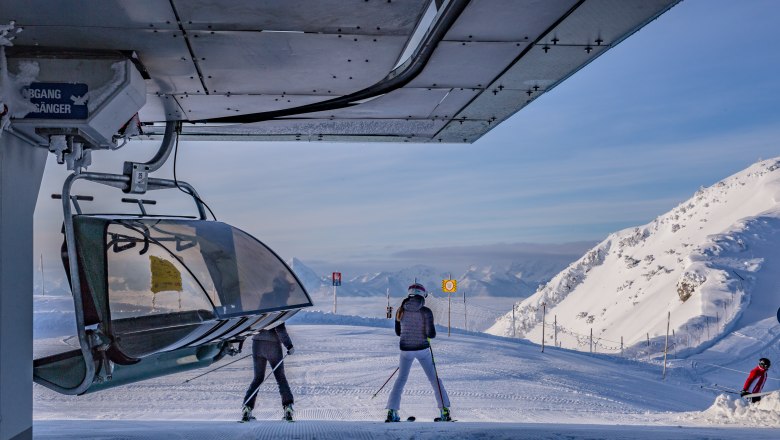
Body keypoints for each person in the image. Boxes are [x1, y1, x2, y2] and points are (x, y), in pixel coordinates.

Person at [385, 282, 452, 422]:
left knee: (401, 380)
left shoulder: (400, 310)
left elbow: (398, 332)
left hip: (405, 350)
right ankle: (444, 411)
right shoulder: (426, 311)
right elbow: (431, 334)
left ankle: (392, 411)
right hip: (422, 349)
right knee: (434, 379)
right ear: (422, 296)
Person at [241, 322, 296, 422]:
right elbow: (280, 329)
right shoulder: (276, 308)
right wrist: (289, 345)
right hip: (273, 345)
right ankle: (288, 407)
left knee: (257, 378)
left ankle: (247, 408)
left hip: (257, 345)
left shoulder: (256, 307)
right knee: (280, 377)